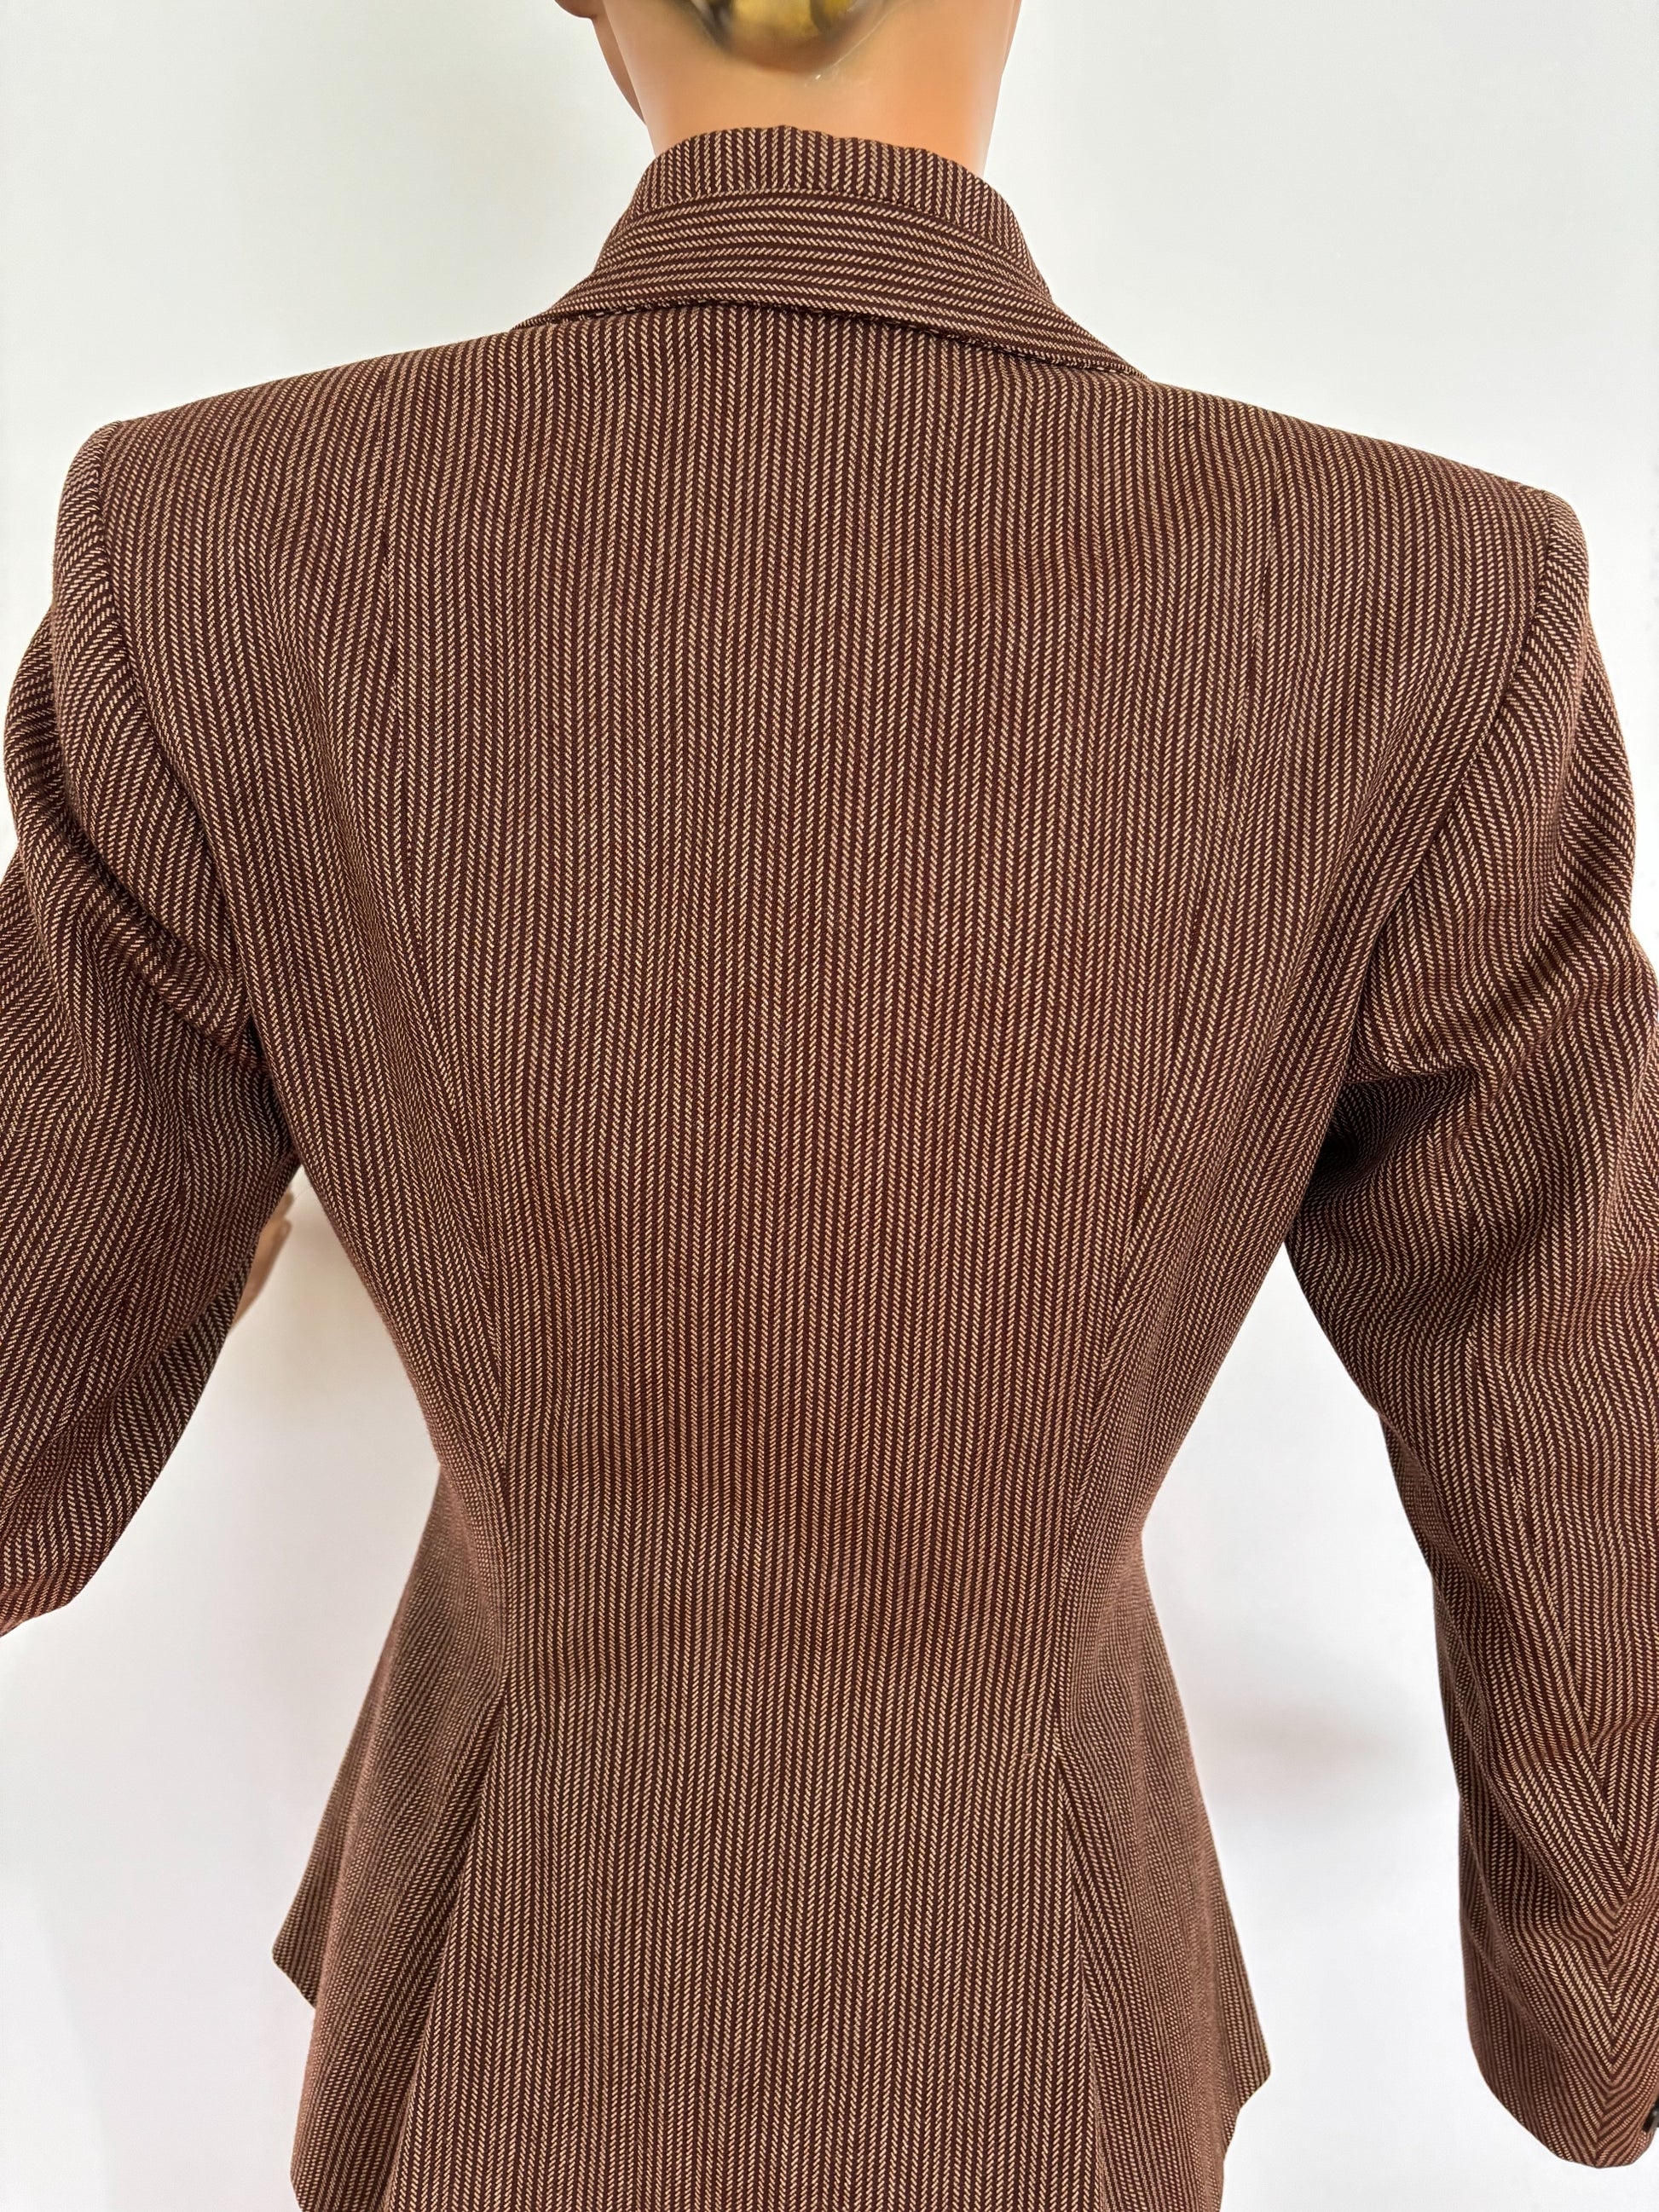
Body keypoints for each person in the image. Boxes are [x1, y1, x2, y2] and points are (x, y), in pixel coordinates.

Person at [3, 0, 1657, 2204]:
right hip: (1044, 2021)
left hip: (500, 2000)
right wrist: (1601, 1986)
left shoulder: (219, 551)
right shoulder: (1414, 601)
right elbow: (1568, 1368)